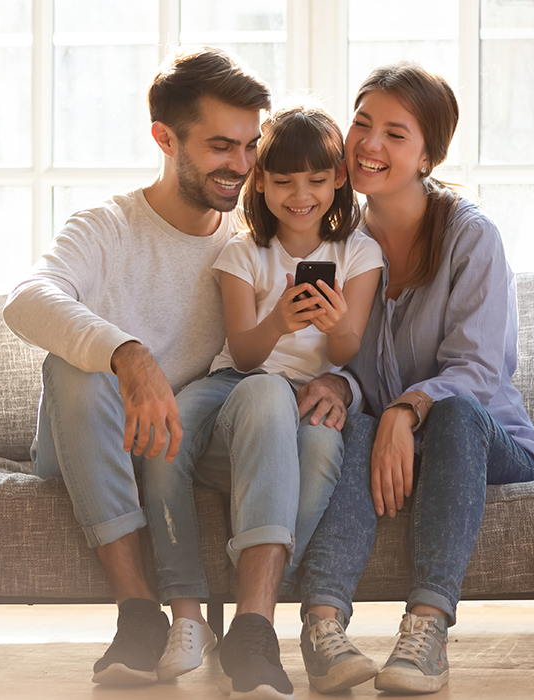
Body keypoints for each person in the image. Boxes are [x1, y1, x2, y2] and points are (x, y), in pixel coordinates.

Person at [3, 47, 355, 699]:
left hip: (195, 440)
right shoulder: (106, 227)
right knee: (74, 372)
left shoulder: (255, 241)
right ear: (165, 138)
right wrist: (126, 355)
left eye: (251, 144)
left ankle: (254, 631)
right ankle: (139, 616)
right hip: (95, 439)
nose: (244, 165)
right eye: (222, 146)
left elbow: (297, 348)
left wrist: (340, 381)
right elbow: (26, 299)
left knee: (278, 404)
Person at [292, 61, 534, 695]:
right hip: (391, 436)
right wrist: (339, 386)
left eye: (395, 133)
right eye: (361, 123)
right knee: (341, 422)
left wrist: (406, 410)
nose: (369, 145)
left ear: (429, 154)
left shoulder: (472, 236)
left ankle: (427, 631)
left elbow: (480, 372)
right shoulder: (338, 243)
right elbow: (351, 364)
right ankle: (323, 628)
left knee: (457, 414)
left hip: (488, 440)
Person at [141, 104, 382, 685]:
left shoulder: (359, 254)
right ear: (261, 182)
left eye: (317, 180)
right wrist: (277, 320)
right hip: (233, 387)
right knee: (162, 437)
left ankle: (255, 599)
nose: (301, 195)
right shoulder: (242, 254)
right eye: (283, 181)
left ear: (339, 179)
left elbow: (348, 351)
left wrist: (332, 322)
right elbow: (246, 355)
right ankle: (185, 608)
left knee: (323, 451)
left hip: (307, 397)